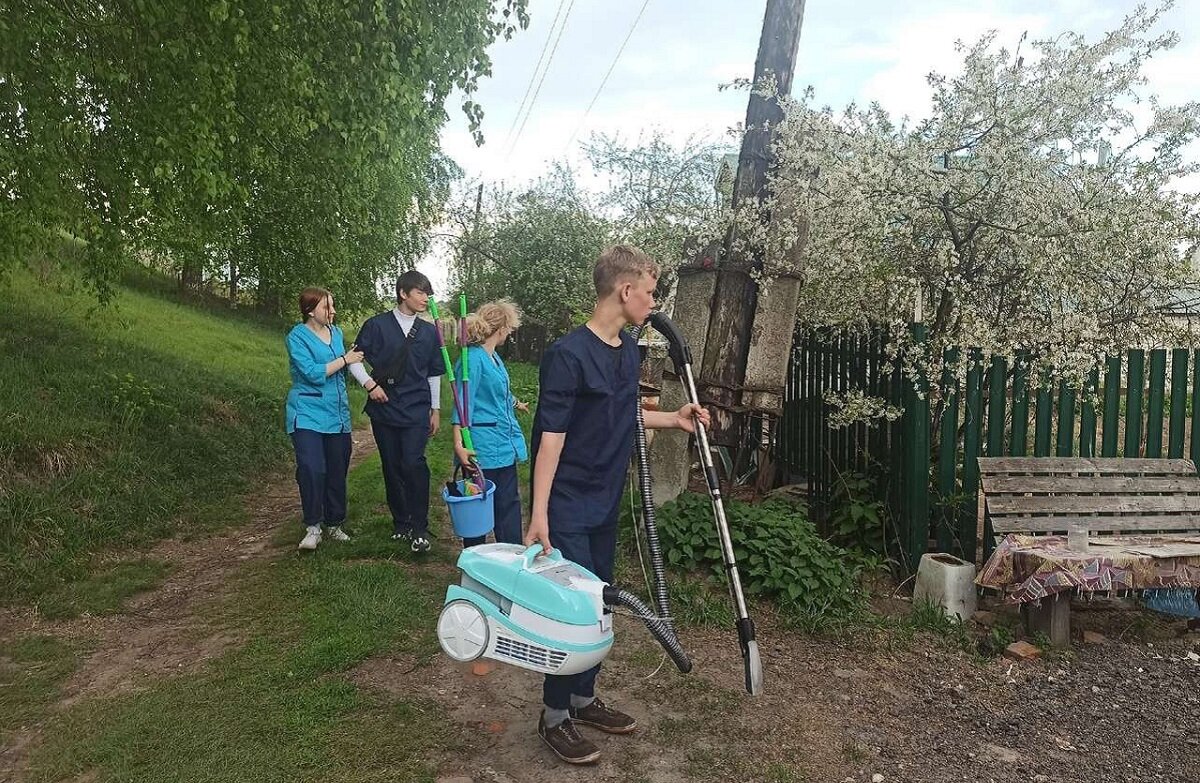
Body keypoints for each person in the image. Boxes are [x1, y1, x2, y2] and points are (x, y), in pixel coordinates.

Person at [525, 245, 710, 765]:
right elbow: (551, 440)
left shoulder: (629, 350)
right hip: (566, 501)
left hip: (606, 498)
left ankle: (583, 699)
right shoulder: (567, 354)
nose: (654, 302)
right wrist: (539, 514)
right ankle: (554, 715)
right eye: (650, 292)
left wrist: (675, 419)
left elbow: (625, 415)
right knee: (570, 612)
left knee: (600, 604)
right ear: (625, 291)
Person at [349, 270, 445, 553]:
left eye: (427, 293)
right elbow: (354, 359)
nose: (425, 298)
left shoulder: (429, 332)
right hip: (384, 408)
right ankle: (401, 523)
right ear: (403, 293)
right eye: (420, 292)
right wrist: (369, 385)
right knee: (391, 465)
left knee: (413, 463)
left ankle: (420, 526)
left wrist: (435, 409)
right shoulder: (376, 326)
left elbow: (433, 374)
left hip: (416, 408)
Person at [285, 287, 364, 551]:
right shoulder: (297, 337)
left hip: (337, 414)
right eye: (326, 307)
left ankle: (334, 523)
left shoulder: (337, 332)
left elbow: (347, 366)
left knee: (336, 469)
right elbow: (311, 372)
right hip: (307, 412)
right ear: (310, 311)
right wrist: (345, 359)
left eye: (332, 306)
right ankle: (313, 526)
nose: (332, 311)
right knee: (311, 468)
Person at [451, 299, 530, 547]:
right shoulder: (472, 360)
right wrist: (459, 445)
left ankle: (511, 563)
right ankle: (476, 566)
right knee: (479, 510)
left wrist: (517, 404)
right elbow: (462, 405)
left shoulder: (493, 357)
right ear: (501, 329)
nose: (510, 333)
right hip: (481, 449)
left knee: (508, 508)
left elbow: (498, 391)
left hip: (503, 446)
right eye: (509, 328)